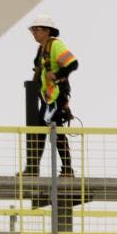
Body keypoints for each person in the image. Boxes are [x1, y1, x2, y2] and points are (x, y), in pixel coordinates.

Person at [22, 13, 78, 177]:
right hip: (48, 98)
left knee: (42, 130)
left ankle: (35, 168)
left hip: (55, 98)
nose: (34, 33)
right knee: (53, 131)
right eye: (33, 30)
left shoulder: (55, 45)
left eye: (37, 30)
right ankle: (65, 169)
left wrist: (58, 74)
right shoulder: (43, 48)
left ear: (47, 31)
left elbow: (72, 63)